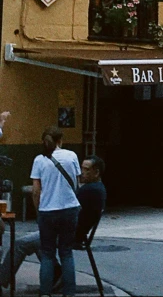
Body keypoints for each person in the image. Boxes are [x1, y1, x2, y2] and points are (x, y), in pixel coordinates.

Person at [0, 155, 107, 290]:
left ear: (96, 172)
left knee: (20, 244)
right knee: (37, 243)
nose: (81, 172)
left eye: (86, 169)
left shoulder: (89, 190)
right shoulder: (97, 188)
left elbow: (67, 211)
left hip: (67, 234)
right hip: (73, 232)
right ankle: (57, 275)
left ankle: (1, 280)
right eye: (81, 168)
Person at [31, 126, 81, 297]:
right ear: (61, 140)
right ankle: (69, 293)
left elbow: (36, 190)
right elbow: (76, 182)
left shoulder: (39, 160)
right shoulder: (72, 156)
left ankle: (45, 292)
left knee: (47, 254)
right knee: (66, 252)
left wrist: (38, 211)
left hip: (47, 211)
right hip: (69, 209)